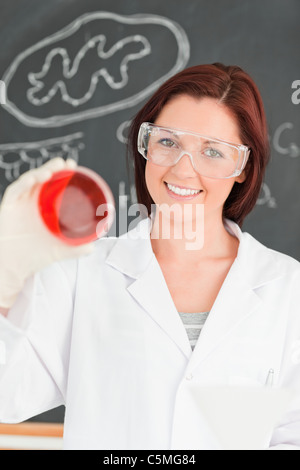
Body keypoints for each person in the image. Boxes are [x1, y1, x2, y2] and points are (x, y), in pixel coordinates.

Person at [0, 63, 300, 450]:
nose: (182, 169)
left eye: (212, 151)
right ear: (145, 145)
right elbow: (7, 391)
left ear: (242, 167)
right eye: (168, 142)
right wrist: (5, 277)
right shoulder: (80, 273)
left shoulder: (287, 288)